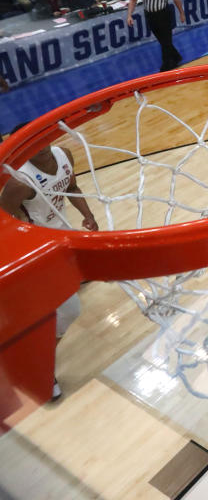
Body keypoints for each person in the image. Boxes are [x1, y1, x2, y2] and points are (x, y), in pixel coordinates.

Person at [0, 135, 99, 399]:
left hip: (63, 238)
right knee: (69, 311)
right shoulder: (19, 183)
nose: (37, 146)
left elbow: (72, 188)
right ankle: (40, 366)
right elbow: (3, 223)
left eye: (39, 140)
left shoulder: (64, 153)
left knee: (79, 277)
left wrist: (88, 215)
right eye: (28, 144)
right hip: (38, 250)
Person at [127, 0, 186, 71]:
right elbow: (133, 0)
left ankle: (166, 65)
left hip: (163, 13)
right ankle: (176, 57)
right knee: (163, 40)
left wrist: (182, 13)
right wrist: (129, 15)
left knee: (166, 40)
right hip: (150, 15)